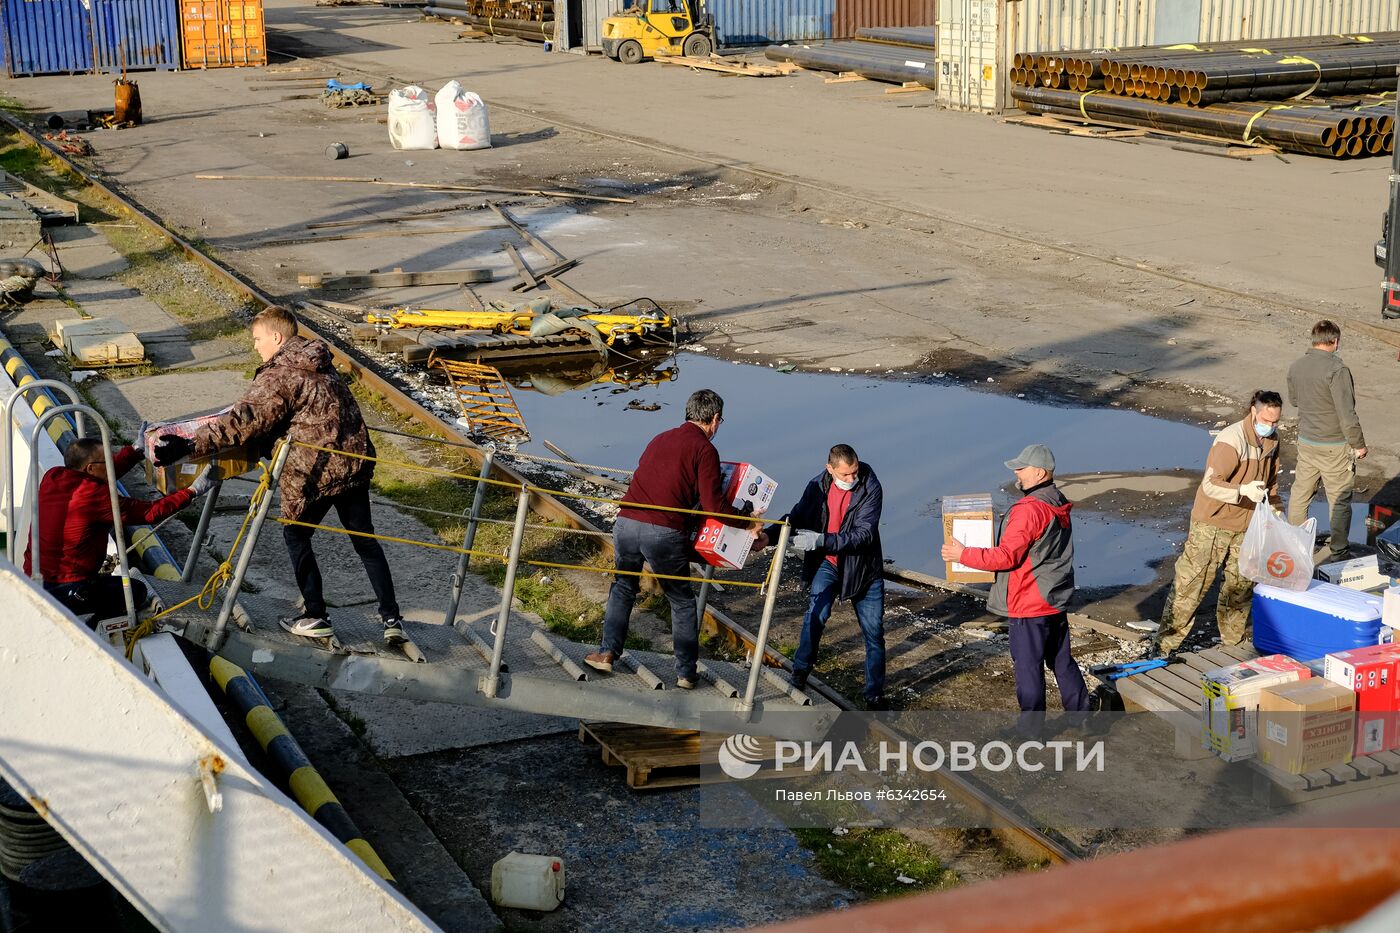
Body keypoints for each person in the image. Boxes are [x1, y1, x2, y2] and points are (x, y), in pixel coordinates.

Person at [153, 306, 404, 643]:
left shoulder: (281, 373)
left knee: (296, 536)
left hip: (313, 473)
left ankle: (315, 615)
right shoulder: (320, 361)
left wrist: (188, 445)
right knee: (364, 540)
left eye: (258, 339)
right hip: (354, 465)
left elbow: (245, 420)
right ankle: (391, 620)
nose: (256, 346)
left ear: (276, 336)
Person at [585, 389, 755, 689]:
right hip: (661, 532)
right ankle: (686, 672)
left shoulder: (660, 437)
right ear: (714, 419)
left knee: (623, 587)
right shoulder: (704, 450)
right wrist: (745, 521)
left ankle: (606, 653)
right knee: (681, 600)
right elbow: (714, 505)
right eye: (720, 421)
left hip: (625, 523)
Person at [941, 444, 1088, 734]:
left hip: (1029, 602)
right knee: (1061, 661)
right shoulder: (1056, 501)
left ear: (1039, 472)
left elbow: (1007, 557)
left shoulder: (1029, 509)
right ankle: (1083, 719)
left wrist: (963, 555)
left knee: (1028, 668)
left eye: (1021, 468)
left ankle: (1031, 730)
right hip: (1054, 598)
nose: (1016, 473)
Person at [25, 436, 214, 626]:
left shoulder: (54, 476)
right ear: (90, 468)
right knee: (136, 591)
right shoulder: (94, 496)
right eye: (106, 460)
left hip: (34, 578)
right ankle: (91, 628)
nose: (111, 463)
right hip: (66, 588)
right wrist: (192, 492)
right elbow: (149, 512)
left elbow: (104, 474)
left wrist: (135, 451)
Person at [1156, 391, 1284, 655]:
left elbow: (1271, 484)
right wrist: (1241, 491)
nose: (1270, 426)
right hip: (1213, 523)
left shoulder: (1272, 442)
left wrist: (1276, 510)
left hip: (1247, 525)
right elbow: (1210, 484)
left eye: (1275, 422)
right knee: (1191, 584)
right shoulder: (1231, 440)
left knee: (1240, 585)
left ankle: (1232, 646)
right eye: (1266, 420)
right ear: (1253, 411)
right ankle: (1163, 648)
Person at [760, 445, 887, 710]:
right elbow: (794, 517)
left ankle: (873, 695)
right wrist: (769, 537)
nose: (852, 479)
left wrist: (821, 540)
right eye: (845, 474)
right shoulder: (817, 486)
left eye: (854, 472)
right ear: (831, 469)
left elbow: (864, 535)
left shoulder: (870, 487)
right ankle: (800, 671)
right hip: (828, 564)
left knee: (874, 633)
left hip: (863, 568)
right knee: (815, 614)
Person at [1287, 320, 1367, 562]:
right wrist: (1358, 444)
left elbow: (1295, 401)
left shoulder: (1296, 366)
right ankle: (1339, 550)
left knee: (1301, 493)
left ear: (1314, 339)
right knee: (1339, 498)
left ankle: (1297, 544)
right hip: (1334, 445)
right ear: (1336, 341)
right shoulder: (1337, 370)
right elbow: (1347, 413)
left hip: (1307, 440)